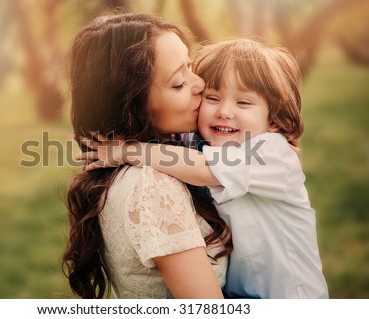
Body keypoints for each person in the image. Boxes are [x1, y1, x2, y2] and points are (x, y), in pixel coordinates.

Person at [81, 38, 329, 298]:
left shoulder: (270, 151)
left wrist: (130, 150)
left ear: (275, 119)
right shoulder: (207, 142)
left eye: (243, 103)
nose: (224, 111)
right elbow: (176, 147)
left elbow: (201, 168)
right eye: (212, 98)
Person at [62, 12, 232, 299]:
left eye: (190, 66)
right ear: (131, 105)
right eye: (178, 82)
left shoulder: (141, 164)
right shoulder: (151, 186)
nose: (200, 84)